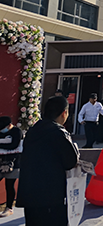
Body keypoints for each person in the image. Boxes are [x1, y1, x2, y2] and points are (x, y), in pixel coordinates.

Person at [17, 96, 79, 225]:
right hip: (51, 195)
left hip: (30, 194)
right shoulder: (58, 132)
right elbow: (70, 161)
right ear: (64, 113)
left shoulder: (33, 131)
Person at [0, 117, 22, 217]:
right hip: (1, 161)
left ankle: (9, 208)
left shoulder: (17, 132)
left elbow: (13, 145)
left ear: (9, 125)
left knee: (9, 184)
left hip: (13, 162)